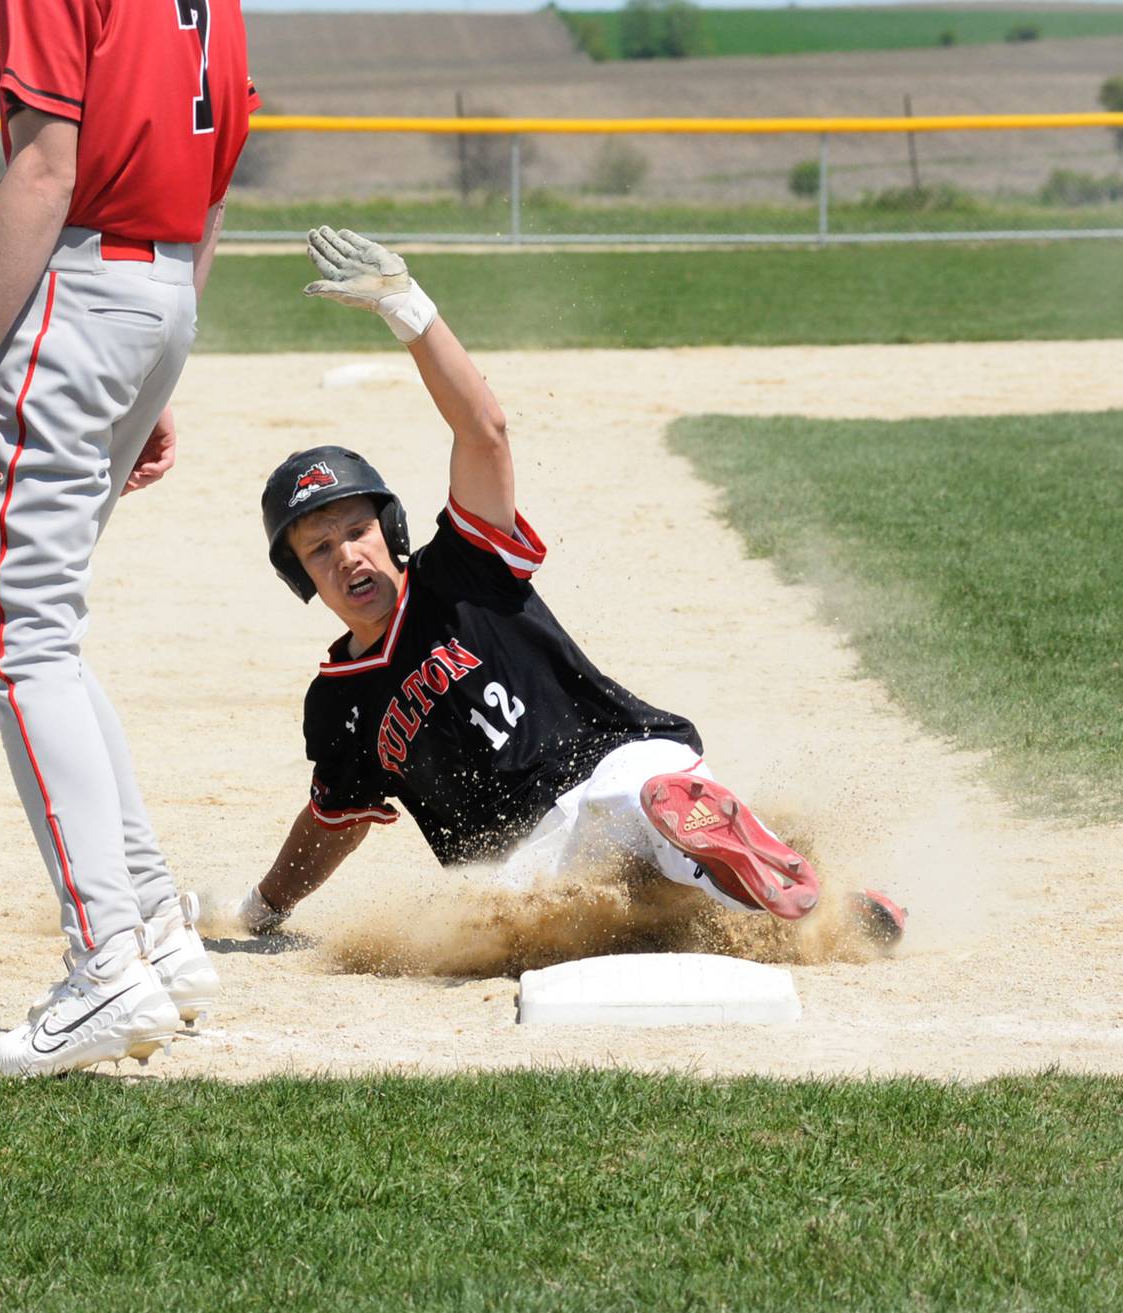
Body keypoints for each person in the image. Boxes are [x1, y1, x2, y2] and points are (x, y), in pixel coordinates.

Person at [236, 227, 906, 950]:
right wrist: (264, 905)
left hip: (617, 764)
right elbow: (332, 817)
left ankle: (811, 906)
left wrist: (409, 308)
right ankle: (793, 891)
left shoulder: (460, 568)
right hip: (532, 863)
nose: (347, 557)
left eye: (356, 530)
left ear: (390, 529)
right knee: (568, 915)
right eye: (319, 549)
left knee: (651, 814)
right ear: (301, 576)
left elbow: (485, 431)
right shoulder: (340, 701)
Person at [0, 0, 259, 1077]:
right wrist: (158, 368)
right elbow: (213, 183)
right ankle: (155, 927)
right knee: (41, 630)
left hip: (79, 291)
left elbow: (47, 170)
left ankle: (105, 964)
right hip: (161, 294)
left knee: (20, 639)